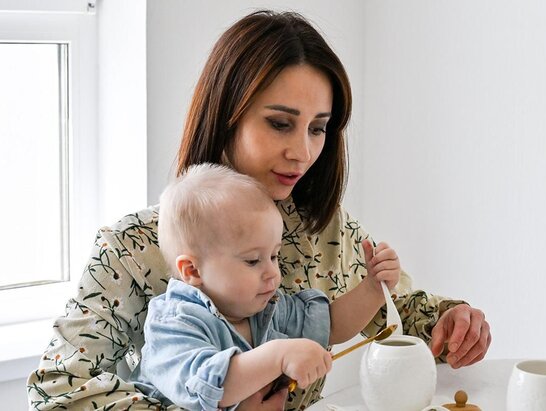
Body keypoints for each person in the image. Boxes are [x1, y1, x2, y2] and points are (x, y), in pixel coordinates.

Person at [27, 10, 491, 411]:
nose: (303, 152)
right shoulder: (131, 248)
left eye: (317, 129)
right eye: (280, 123)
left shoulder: (325, 227)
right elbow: (58, 393)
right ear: (226, 114)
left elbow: (396, 310)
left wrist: (451, 322)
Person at [133, 163, 399, 410]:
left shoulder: (266, 307)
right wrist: (278, 356)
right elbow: (212, 385)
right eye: (252, 260)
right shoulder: (174, 323)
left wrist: (374, 288)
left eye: (274, 256)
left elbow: (330, 325)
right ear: (192, 270)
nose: (272, 272)